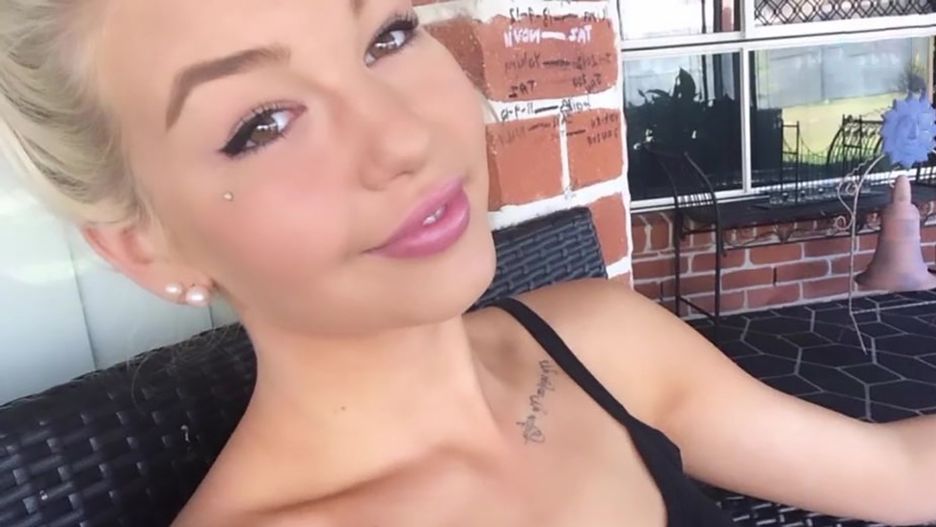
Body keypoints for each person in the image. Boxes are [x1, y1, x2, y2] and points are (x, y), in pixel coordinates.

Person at [1, 1, 934, 525]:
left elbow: (899, 473)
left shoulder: (600, 341)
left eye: (387, 36)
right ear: (144, 244)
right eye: (262, 123)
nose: (404, 135)